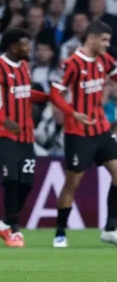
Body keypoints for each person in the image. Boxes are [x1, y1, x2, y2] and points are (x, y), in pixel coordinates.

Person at [0, 28, 49, 248]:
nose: (29, 48)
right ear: (12, 46)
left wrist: (47, 97)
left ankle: (5, 222)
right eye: (25, 44)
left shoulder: (25, 67)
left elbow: (25, 93)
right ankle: (14, 231)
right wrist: (2, 120)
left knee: (26, 183)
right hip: (5, 133)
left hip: (26, 133)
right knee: (12, 180)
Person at [49, 20, 117, 247]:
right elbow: (55, 94)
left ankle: (110, 228)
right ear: (92, 38)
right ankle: (60, 232)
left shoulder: (105, 61)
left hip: (101, 129)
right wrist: (73, 113)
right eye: (105, 40)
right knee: (73, 183)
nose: (108, 45)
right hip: (78, 132)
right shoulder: (72, 64)